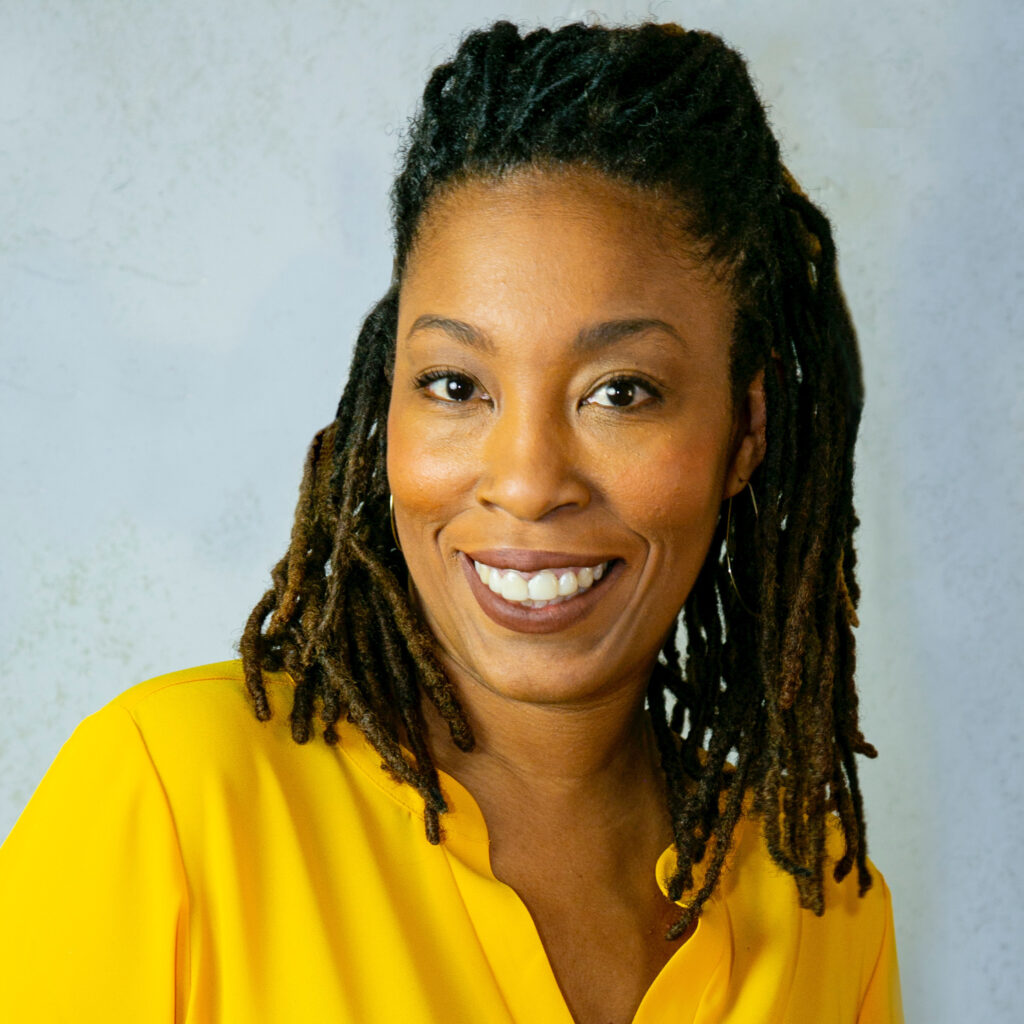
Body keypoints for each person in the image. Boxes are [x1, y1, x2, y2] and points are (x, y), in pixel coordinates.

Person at [0, 20, 902, 1024]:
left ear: (745, 431)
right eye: (455, 383)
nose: (525, 481)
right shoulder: (172, 802)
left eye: (620, 393)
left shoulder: (820, 898)